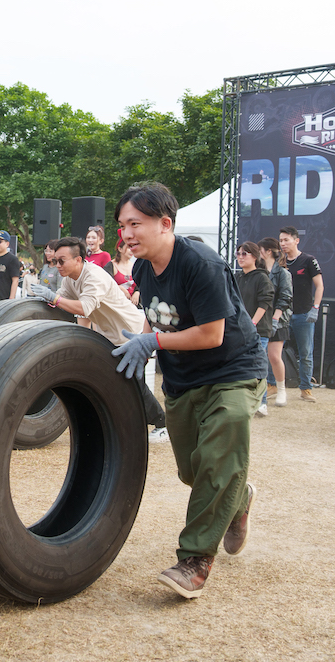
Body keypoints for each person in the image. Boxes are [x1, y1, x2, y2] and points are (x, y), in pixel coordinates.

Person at [111, 183, 265, 599]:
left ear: (165, 223)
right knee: (192, 471)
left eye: (136, 224)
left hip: (233, 370)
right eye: (123, 225)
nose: (127, 234)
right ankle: (238, 497)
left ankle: (194, 560)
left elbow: (213, 334)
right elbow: (154, 315)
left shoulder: (201, 264)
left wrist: (153, 344)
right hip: (182, 380)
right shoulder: (143, 267)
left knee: (219, 455)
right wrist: (141, 343)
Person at [30, 236, 168, 440]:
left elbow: (83, 308)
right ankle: (135, 424)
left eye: (61, 261)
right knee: (118, 380)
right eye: (54, 261)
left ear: (78, 260)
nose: (56, 265)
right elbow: (61, 301)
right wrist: (44, 299)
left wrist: (54, 298)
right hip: (110, 336)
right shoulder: (70, 278)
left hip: (132, 334)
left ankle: (162, 424)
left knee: (133, 382)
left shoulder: (94, 277)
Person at [278, 226, 323, 403]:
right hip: (282, 314)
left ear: (296, 240)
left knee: (305, 353)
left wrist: (316, 308)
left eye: (286, 240)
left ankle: (306, 388)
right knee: (275, 351)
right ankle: (274, 384)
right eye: (281, 240)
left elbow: (319, 285)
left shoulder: (308, 260)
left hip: (304, 314)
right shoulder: (279, 262)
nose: (283, 244)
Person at [234, 241, 276, 417]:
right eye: (238, 254)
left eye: (245, 254)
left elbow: (265, 302)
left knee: (257, 365)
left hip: (258, 330)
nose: (240, 257)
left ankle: (262, 402)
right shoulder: (237, 278)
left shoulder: (262, 277)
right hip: (239, 329)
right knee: (241, 366)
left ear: (255, 256)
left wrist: (252, 323)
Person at [259, 237, 293, 407]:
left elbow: (286, 297)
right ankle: (261, 393)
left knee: (274, 356)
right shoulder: (258, 271)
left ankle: (281, 389)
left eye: (260, 250)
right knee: (261, 357)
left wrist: (275, 318)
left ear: (268, 251)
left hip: (278, 320)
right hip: (260, 319)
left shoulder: (283, 273)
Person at [112, 239, 139, 303]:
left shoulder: (135, 266)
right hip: (117, 304)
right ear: (120, 249)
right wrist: (120, 287)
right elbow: (106, 284)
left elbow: (141, 283)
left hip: (134, 305)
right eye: (129, 247)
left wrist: (137, 292)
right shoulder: (111, 265)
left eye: (132, 247)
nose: (131, 250)